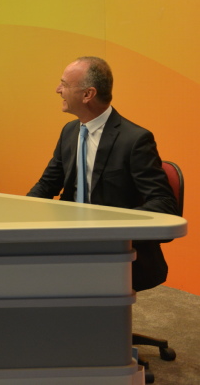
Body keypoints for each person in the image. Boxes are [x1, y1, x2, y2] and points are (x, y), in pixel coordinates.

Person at [27, 56, 178, 291]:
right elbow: (46, 185)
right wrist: (21, 218)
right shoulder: (69, 132)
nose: (58, 90)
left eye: (64, 84)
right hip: (70, 242)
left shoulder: (135, 140)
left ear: (88, 94)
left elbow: (164, 204)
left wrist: (110, 227)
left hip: (115, 249)